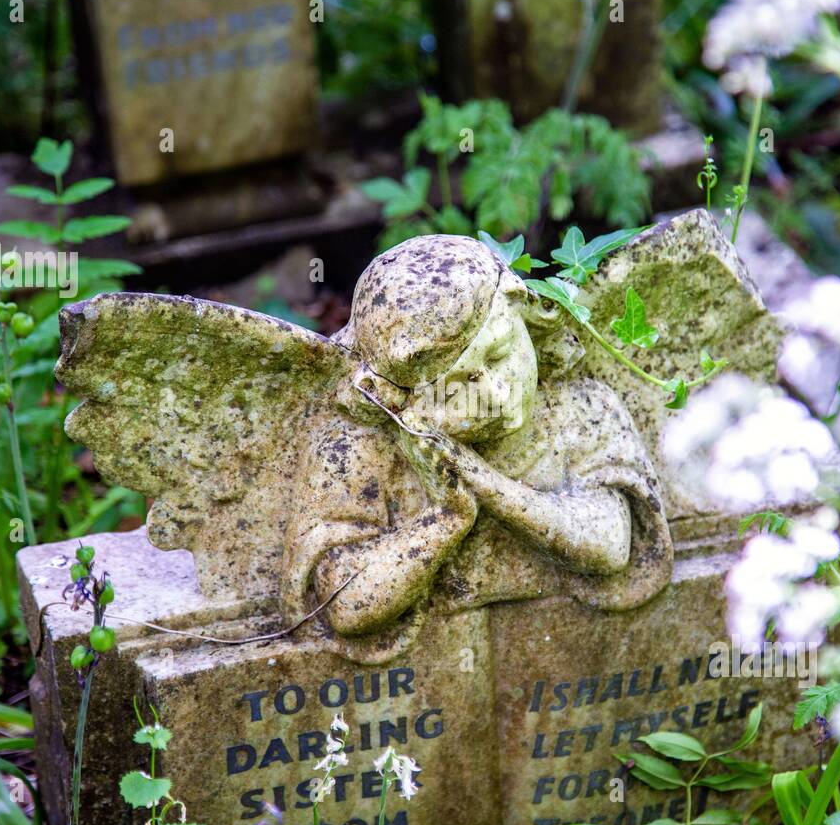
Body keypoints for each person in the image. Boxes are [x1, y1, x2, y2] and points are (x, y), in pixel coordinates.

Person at [281, 235, 671, 658]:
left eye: (502, 355)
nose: (498, 397)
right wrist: (447, 518)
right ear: (400, 397)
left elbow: (611, 545)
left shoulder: (579, 410)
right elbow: (345, 606)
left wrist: (483, 482)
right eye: (456, 388)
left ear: (524, 315)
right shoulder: (356, 451)